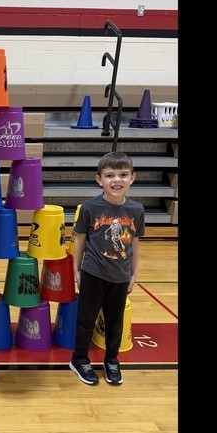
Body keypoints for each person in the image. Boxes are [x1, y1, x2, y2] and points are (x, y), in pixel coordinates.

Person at [69, 151, 145, 386]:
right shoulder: (90, 208)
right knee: (86, 320)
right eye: (110, 175)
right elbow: (80, 239)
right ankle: (79, 359)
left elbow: (134, 242)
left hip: (120, 277)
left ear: (132, 178)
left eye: (123, 174)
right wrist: (77, 271)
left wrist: (133, 274)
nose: (116, 180)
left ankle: (111, 359)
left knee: (115, 323)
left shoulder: (136, 210)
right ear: (99, 179)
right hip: (93, 273)